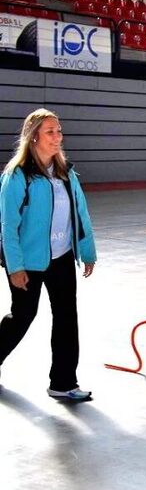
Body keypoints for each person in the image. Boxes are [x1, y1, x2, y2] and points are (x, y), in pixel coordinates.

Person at [0, 109, 97, 401]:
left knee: (67, 317)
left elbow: (81, 214)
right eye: (50, 132)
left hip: (63, 257)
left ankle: (63, 382)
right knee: (23, 315)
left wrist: (88, 251)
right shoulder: (17, 177)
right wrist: (15, 266)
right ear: (34, 138)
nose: (58, 137)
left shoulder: (67, 174)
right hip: (29, 262)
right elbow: (8, 226)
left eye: (59, 131)